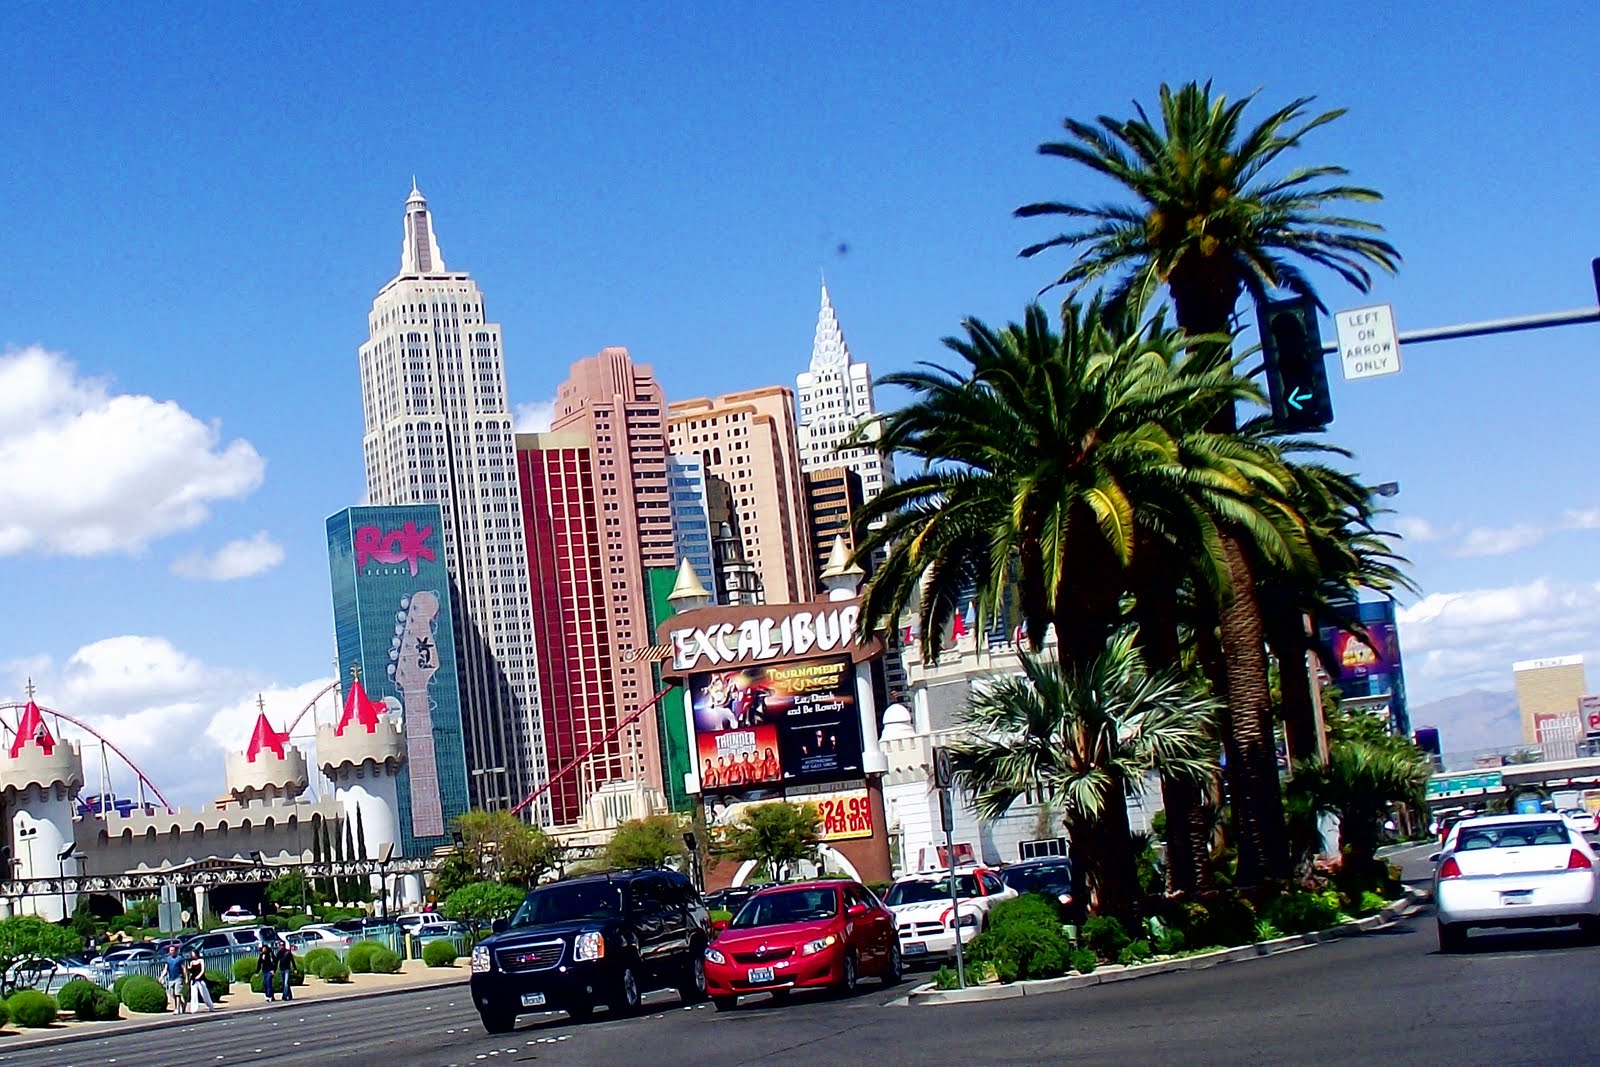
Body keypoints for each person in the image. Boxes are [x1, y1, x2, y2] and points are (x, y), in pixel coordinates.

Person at [161, 944, 188, 1014]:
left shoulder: (179, 958)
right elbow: (165, 969)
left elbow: (184, 968)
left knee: (177, 994)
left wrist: (186, 978)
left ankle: (177, 1008)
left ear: (175, 951)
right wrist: (161, 977)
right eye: (170, 950)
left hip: (178, 978)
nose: (171, 951)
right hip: (171, 979)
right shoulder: (168, 959)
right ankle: (182, 1004)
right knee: (172, 994)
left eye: (173, 950)